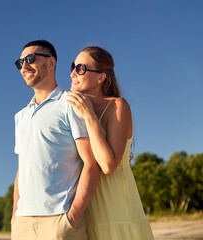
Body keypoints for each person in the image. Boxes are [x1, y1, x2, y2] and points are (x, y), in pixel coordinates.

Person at [11, 40, 101, 240]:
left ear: (51, 63)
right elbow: (21, 171)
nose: (24, 66)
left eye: (30, 59)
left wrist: (72, 217)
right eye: (20, 63)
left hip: (59, 221)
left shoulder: (71, 104)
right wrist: (15, 216)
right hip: (22, 223)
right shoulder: (20, 117)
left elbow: (91, 163)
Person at [67, 46, 154, 240]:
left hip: (119, 211)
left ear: (100, 77)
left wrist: (89, 115)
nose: (73, 73)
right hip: (86, 214)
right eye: (73, 66)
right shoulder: (71, 111)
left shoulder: (118, 106)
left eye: (80, 68)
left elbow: (108, 165)